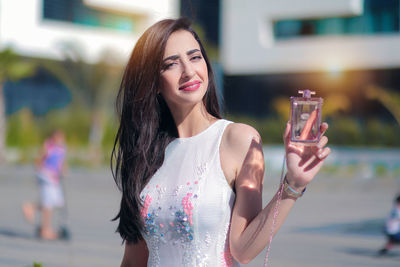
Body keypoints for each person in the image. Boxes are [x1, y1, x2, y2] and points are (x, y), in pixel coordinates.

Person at [111, 17, 331, 266]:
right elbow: (133, 261)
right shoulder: (145, 155)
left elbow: (242, 250)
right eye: (171, 64)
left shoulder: (238, 139)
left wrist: (293, 185)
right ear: (154, 82)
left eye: (195, 57)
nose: (189, 71)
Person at [22, 130, 67, 240]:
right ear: (54, 138)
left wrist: (63, 170)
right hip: (46, 178)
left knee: (56, 202)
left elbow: (60, 163)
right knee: (48, 204)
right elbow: (38, 161)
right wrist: (44, 172)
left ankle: (31, 207)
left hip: (54, 179)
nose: (60, 140)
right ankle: (45, 230)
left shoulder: (62, 149)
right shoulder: (48, 146)